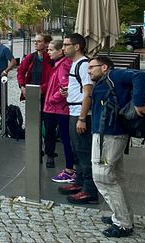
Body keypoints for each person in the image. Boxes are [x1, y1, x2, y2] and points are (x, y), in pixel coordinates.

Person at [88, 55, 145, 238]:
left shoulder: (114, 75)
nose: (89, 70)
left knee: (103, 176)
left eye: (92, 67)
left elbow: (139, 75)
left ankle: (123, 223)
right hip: (107, 133)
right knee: (116, 177)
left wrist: (138, 103)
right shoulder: (105, 80)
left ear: (104, 67)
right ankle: (122, 216)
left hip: (110, 135)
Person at [58, 33, 98, 204]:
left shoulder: (83, 65)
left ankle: (89, 190)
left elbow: (88, 93)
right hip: (73, 110)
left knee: (84, 151)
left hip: (81, 114)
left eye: (66, 45)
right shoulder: (75, 64)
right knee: (77, 150)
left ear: (77, 46)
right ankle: (80, 182)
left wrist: (82, 118)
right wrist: (69, 93)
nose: (63, 48)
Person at [42, 39, 74, 172]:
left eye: (50, 50)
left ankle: (70, 167)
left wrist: (51, 99)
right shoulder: (57, 64)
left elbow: (64, 86)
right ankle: (54, 157)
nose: (48, 52)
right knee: (51, 133)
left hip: (59, 108)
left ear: (59, 51)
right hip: (54, 107)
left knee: (63, 137)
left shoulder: (64, 65)